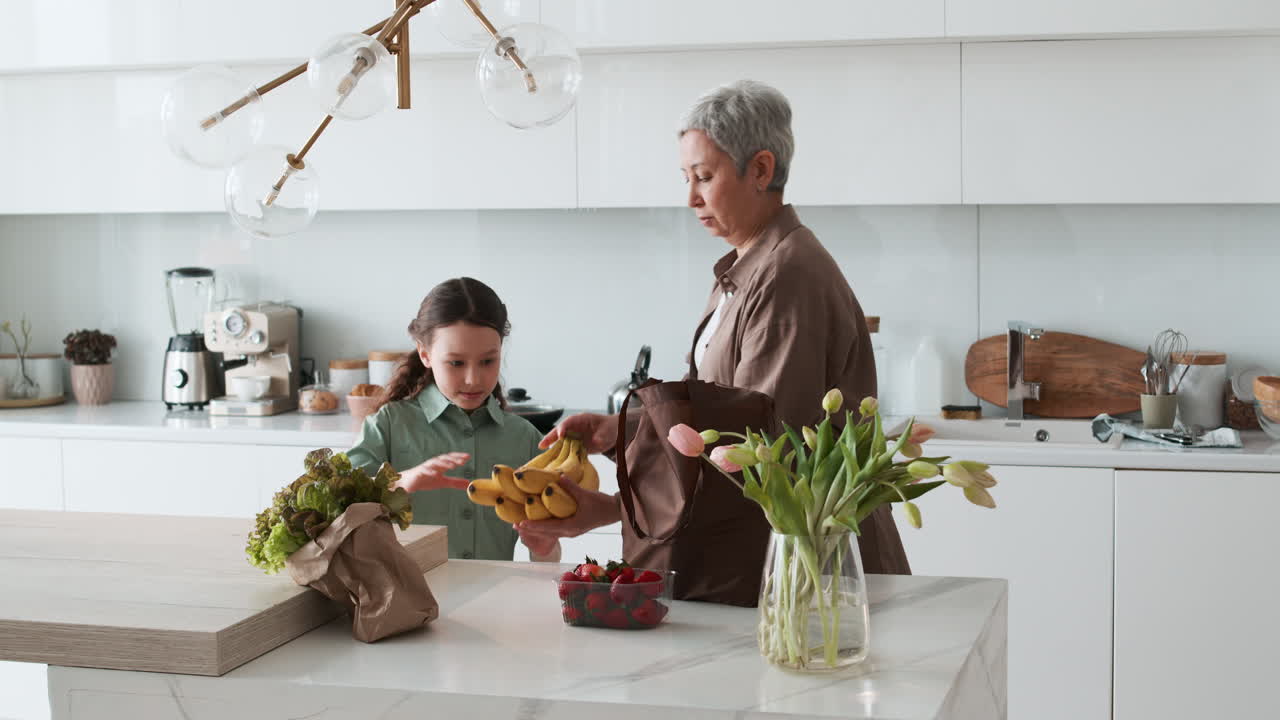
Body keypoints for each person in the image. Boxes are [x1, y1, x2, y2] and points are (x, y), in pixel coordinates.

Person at [518, 80, 910, 574]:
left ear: (761, 170)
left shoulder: (787, 277)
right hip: (779, 552)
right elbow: (719, 408)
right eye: (685, 176)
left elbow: (760, 449)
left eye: (703, 176)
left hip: (818, 565)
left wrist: (614, 512)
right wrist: (618, 431)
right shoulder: (745, 269)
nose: (690, 198)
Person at [347, 277, 560, 563]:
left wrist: (544, 547)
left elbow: (547, 555)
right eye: (456, 363)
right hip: (404, 603)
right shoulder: (388, 425)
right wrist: (403, 482)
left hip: (493, 603)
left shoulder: (526, 438)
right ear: (425, 354)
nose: (473, 379)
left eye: (488, 361)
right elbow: (340, 511)